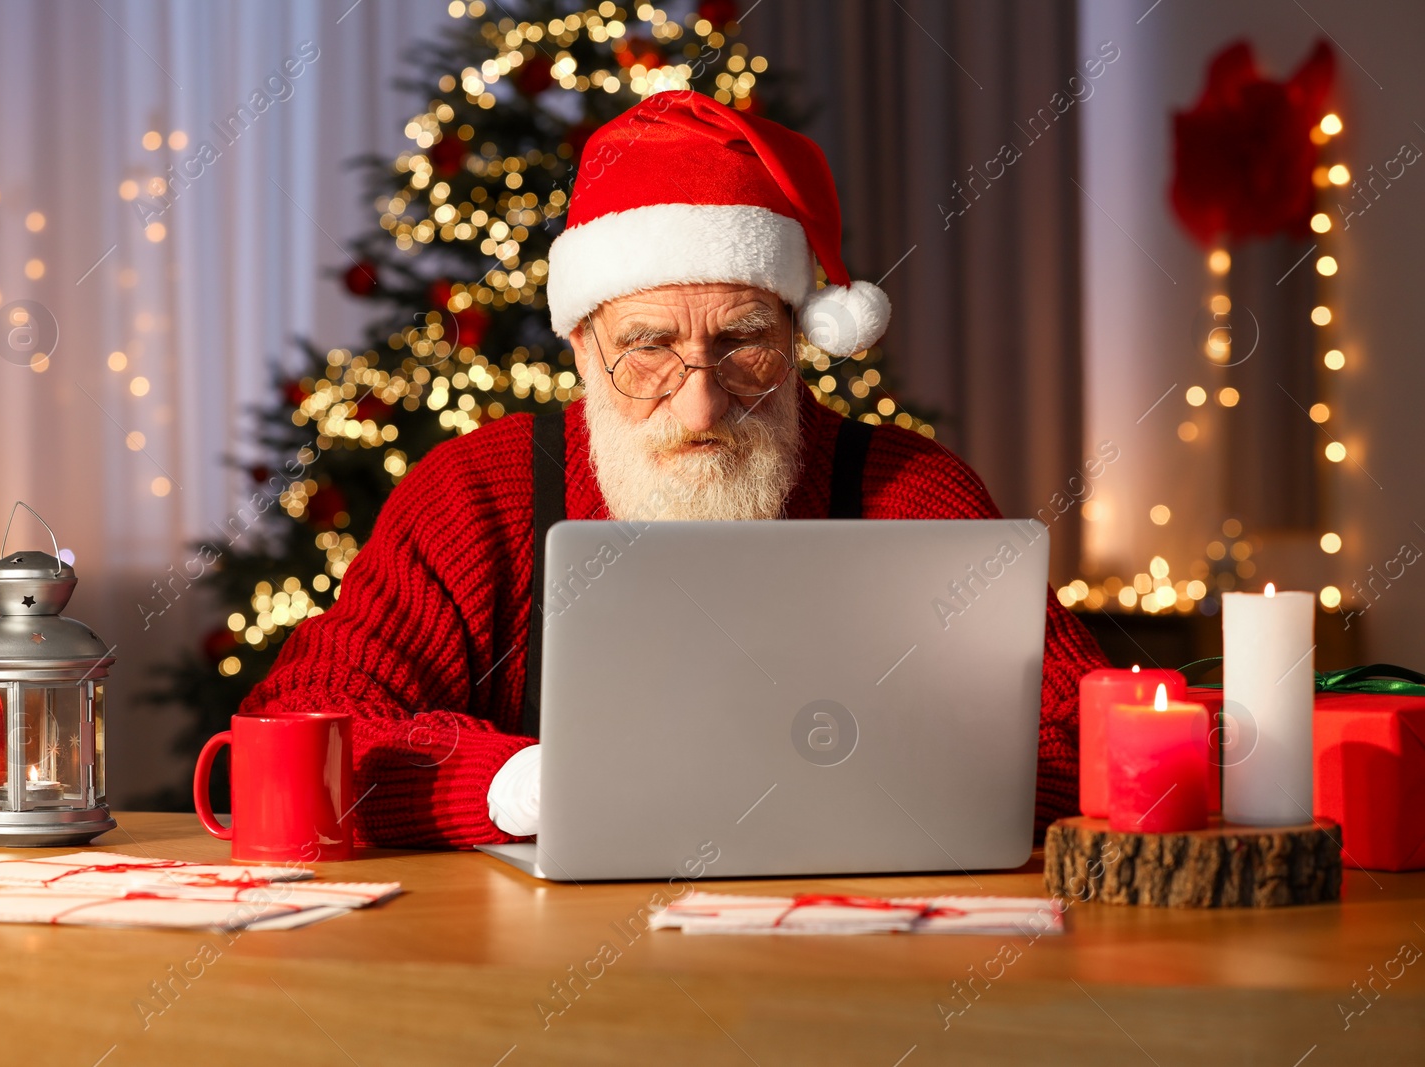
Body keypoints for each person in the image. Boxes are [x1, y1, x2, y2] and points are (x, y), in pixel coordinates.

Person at [241, 90, 1110, 848]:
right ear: (584, 345)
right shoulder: (471, 499)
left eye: (742, 345)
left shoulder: (911, 494)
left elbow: (1091, 740)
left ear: (799, 337)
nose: (700, 407)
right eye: (649, 347)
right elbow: (301, 728)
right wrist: (524, 785)